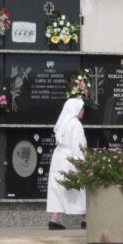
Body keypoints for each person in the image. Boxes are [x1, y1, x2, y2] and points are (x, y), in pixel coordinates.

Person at [46, 97, 87, 230]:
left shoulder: (62, 122)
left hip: (59, 157)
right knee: (78, 186)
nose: (83, 111)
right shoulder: (75, 124)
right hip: (70, 157)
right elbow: (78, 145)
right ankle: (86, 219)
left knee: (59, 188)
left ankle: (54, 219)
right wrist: (80, 162)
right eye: (82, 108)